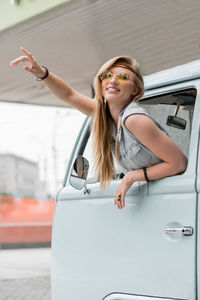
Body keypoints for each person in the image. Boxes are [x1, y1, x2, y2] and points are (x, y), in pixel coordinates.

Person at [10, 47, 187, 210]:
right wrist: (42, 73)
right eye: (107, 76)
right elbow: (69, 95)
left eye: (123, 77)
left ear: (135, 90)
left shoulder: (134, 120)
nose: (113, 81)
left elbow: (178, 163)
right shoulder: (107, 117)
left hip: (174, 201)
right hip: (158, 202)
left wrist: (132, 176)